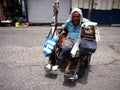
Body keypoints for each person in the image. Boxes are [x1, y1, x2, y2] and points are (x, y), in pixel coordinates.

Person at [45, 8, 89, 76]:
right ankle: (61, 58)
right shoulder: (69, 22)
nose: (76, 18)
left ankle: (67, 68)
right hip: (69, 39)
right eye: (74, 16)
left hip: (79, 40)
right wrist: (58, 30)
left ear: (80, 16)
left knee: (74, 53)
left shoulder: (85, 22)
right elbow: (62, 27)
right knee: (64, 48)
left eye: (77, 16)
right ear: (72, 16)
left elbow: (92, 26)